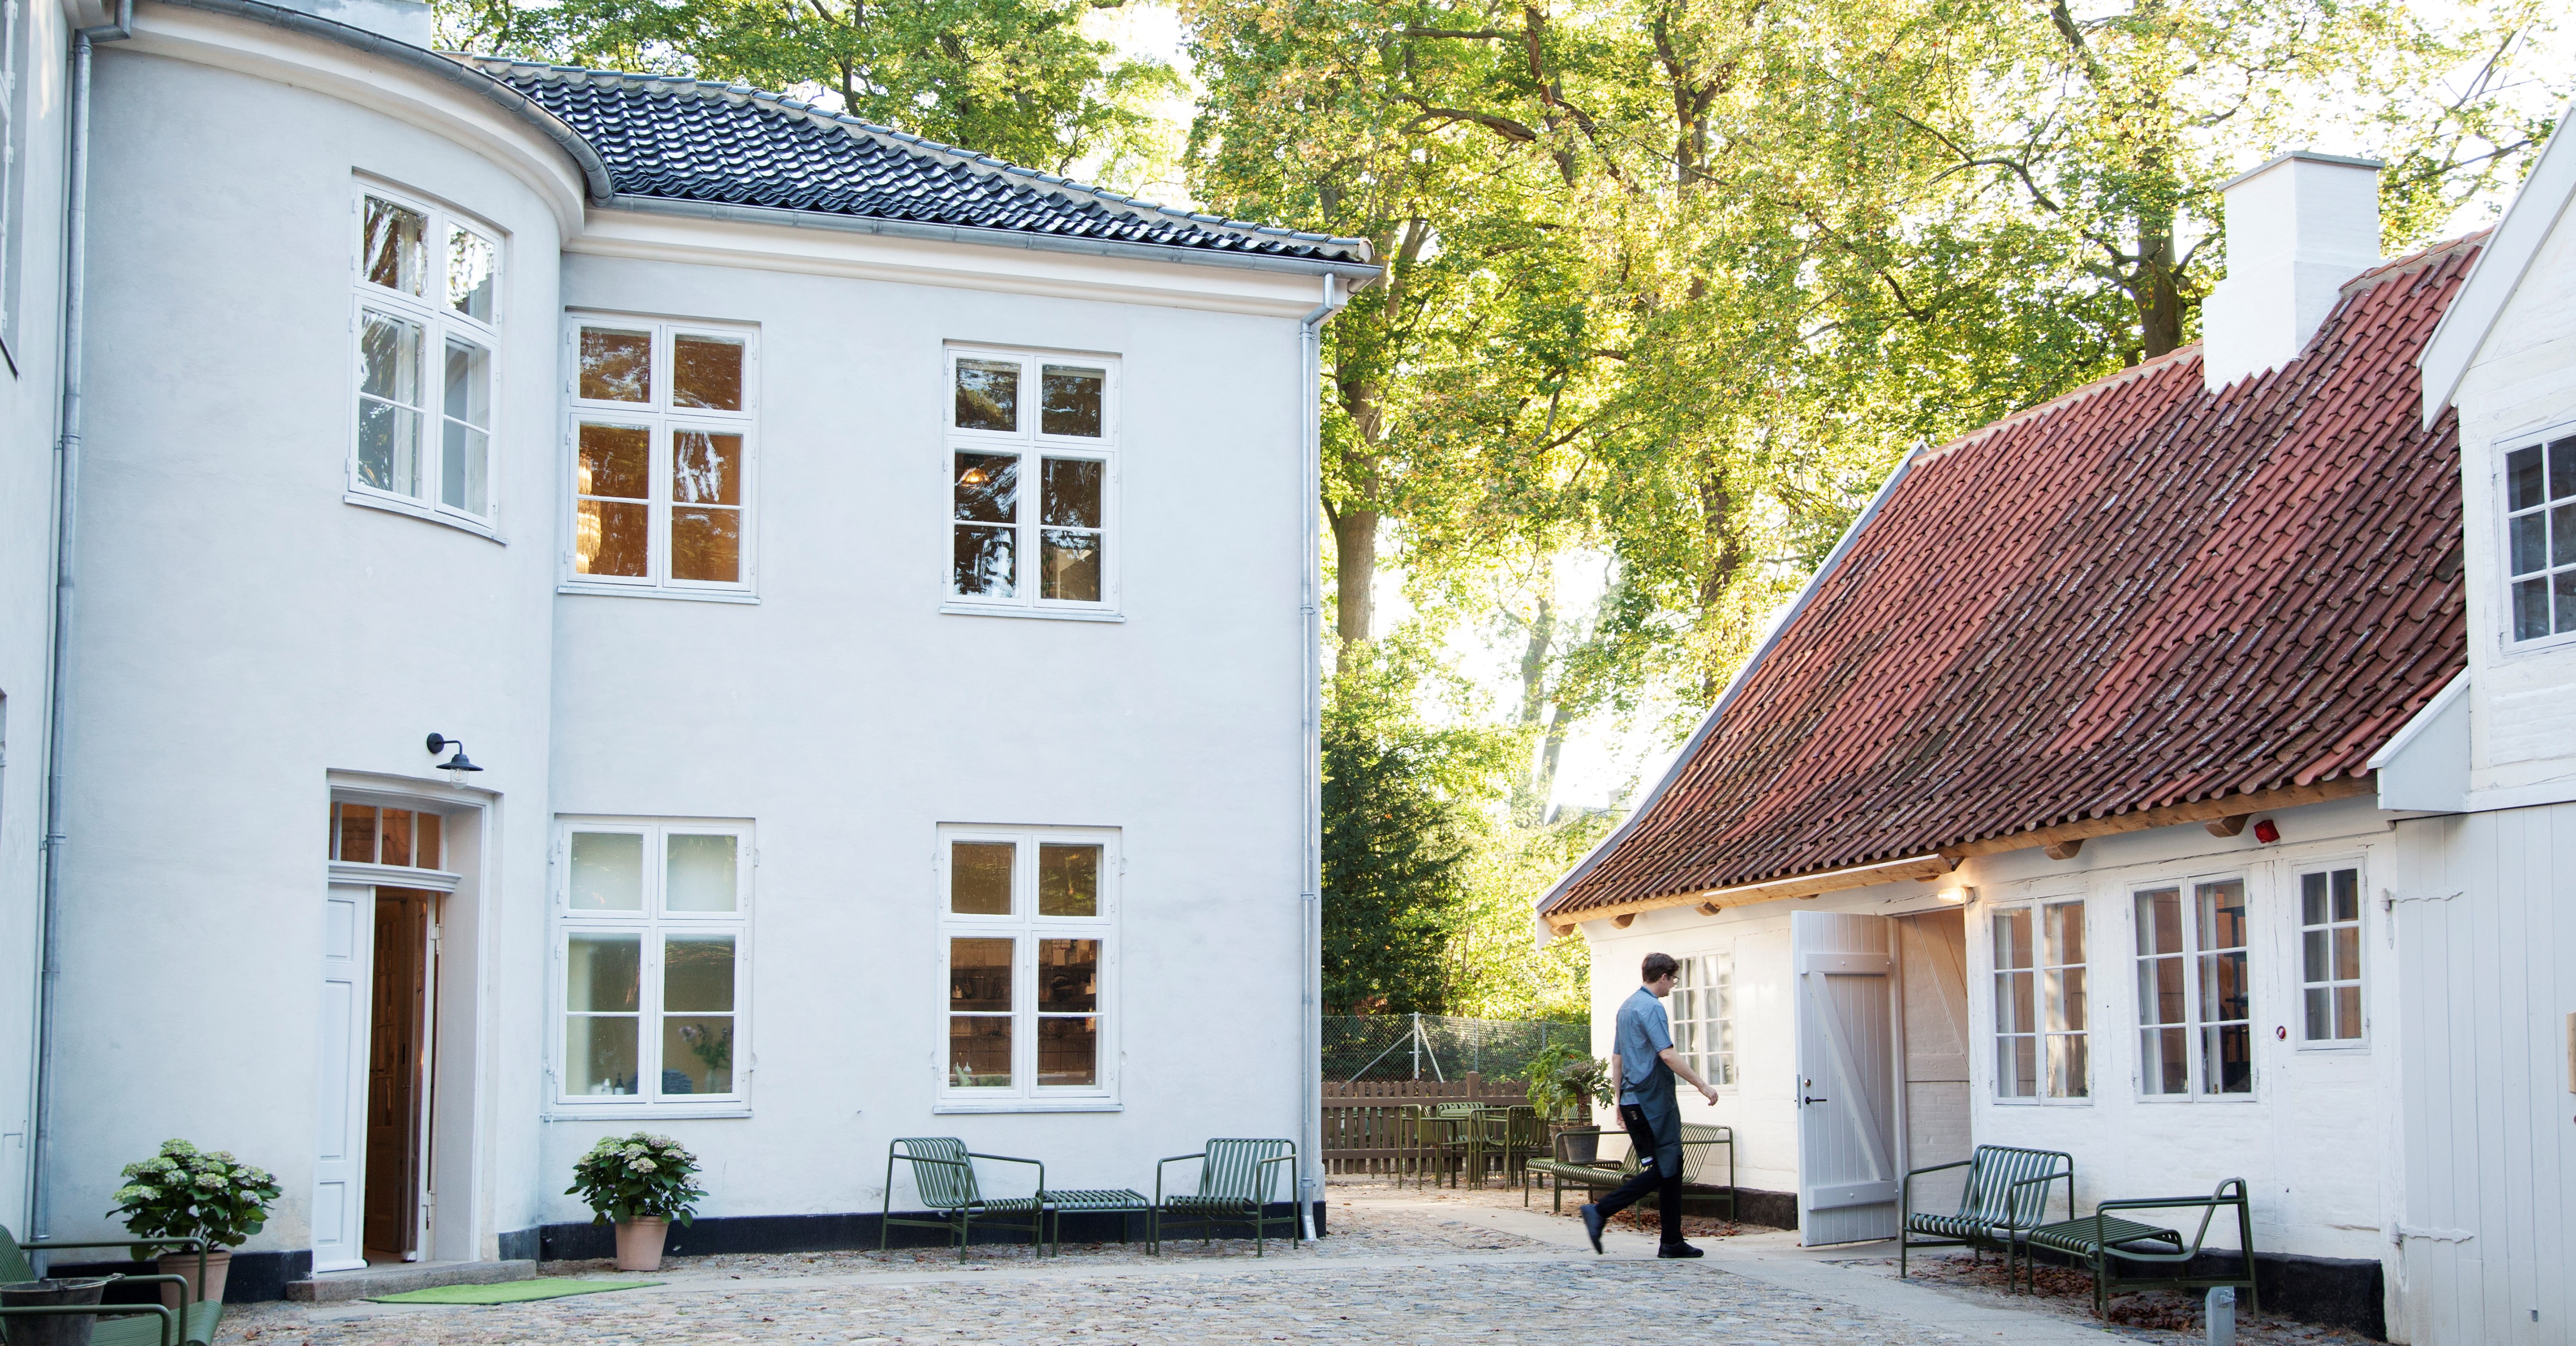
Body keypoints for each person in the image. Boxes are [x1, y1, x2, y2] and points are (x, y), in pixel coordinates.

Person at [1581, 951, 1721, 1258]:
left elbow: (1617, 1059)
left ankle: (1671, 1241)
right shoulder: (1652, 1007)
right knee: (1666, 1168)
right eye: (1673, 980)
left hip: (1633, 1102)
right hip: (1653, 1102)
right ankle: (1601, 1210)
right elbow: (1667, 1054)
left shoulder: (1627, 1007)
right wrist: (1702, 1085)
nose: (1673, 985)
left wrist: (1619, 1102)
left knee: (1669, 1168)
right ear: (1663, 977)